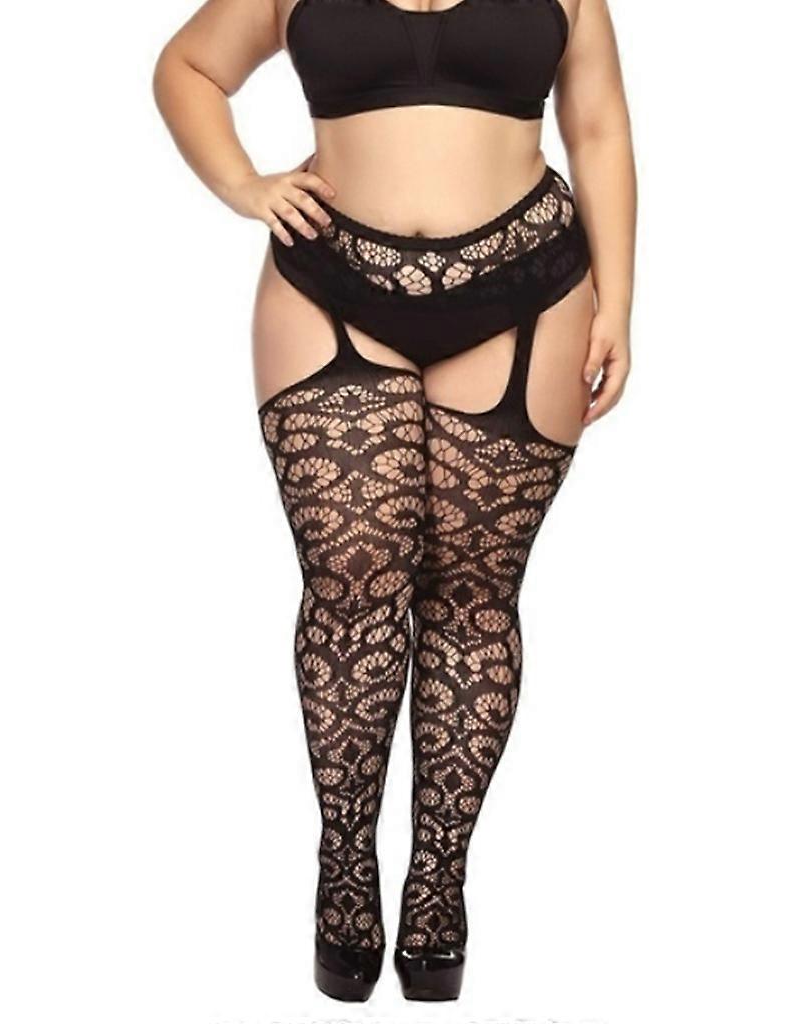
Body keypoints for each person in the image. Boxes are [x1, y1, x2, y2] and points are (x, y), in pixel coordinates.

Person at [154, 0, 635, 1002]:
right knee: (350, 586)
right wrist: (244, 184)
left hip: (527, 288)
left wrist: (621, 303)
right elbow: (188, 67)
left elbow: (595, 126)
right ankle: (344, 865)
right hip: (332, 284)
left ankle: (438, 879)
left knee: (472, 597)